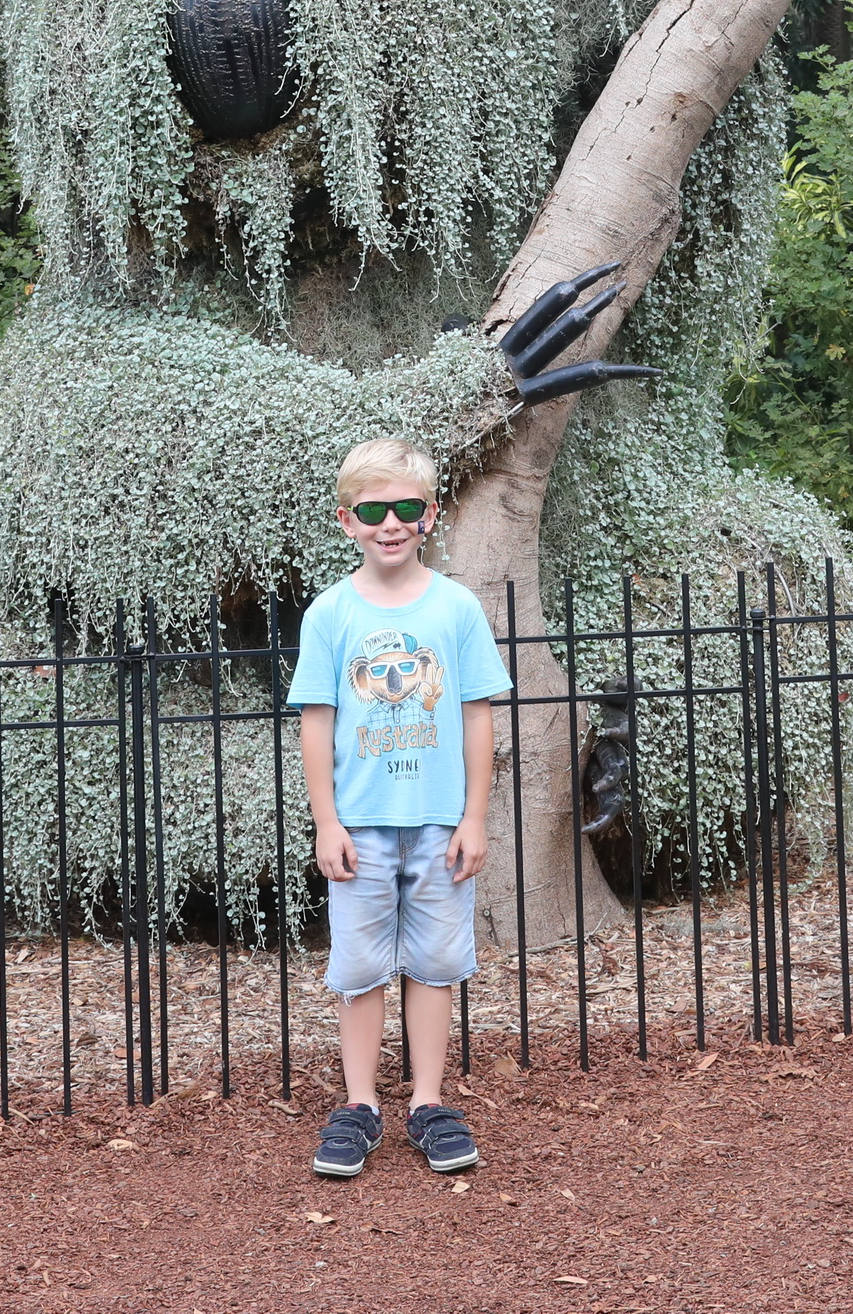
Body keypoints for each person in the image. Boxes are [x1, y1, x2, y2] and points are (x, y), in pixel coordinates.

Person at [290, 436, 509, 1178]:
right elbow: (315, 721)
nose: (390, 522)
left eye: (406, 508)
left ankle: (426, 1101)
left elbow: (478, 715)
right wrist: (327, 821)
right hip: (361, 827)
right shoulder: (329, 613)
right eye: (374, 509)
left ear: (430, 516)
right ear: (347, 520)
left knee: (437, 965)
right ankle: (359, 1106)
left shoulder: (456, 607)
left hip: (441, 823)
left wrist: (475, 816)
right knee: (359, 969)